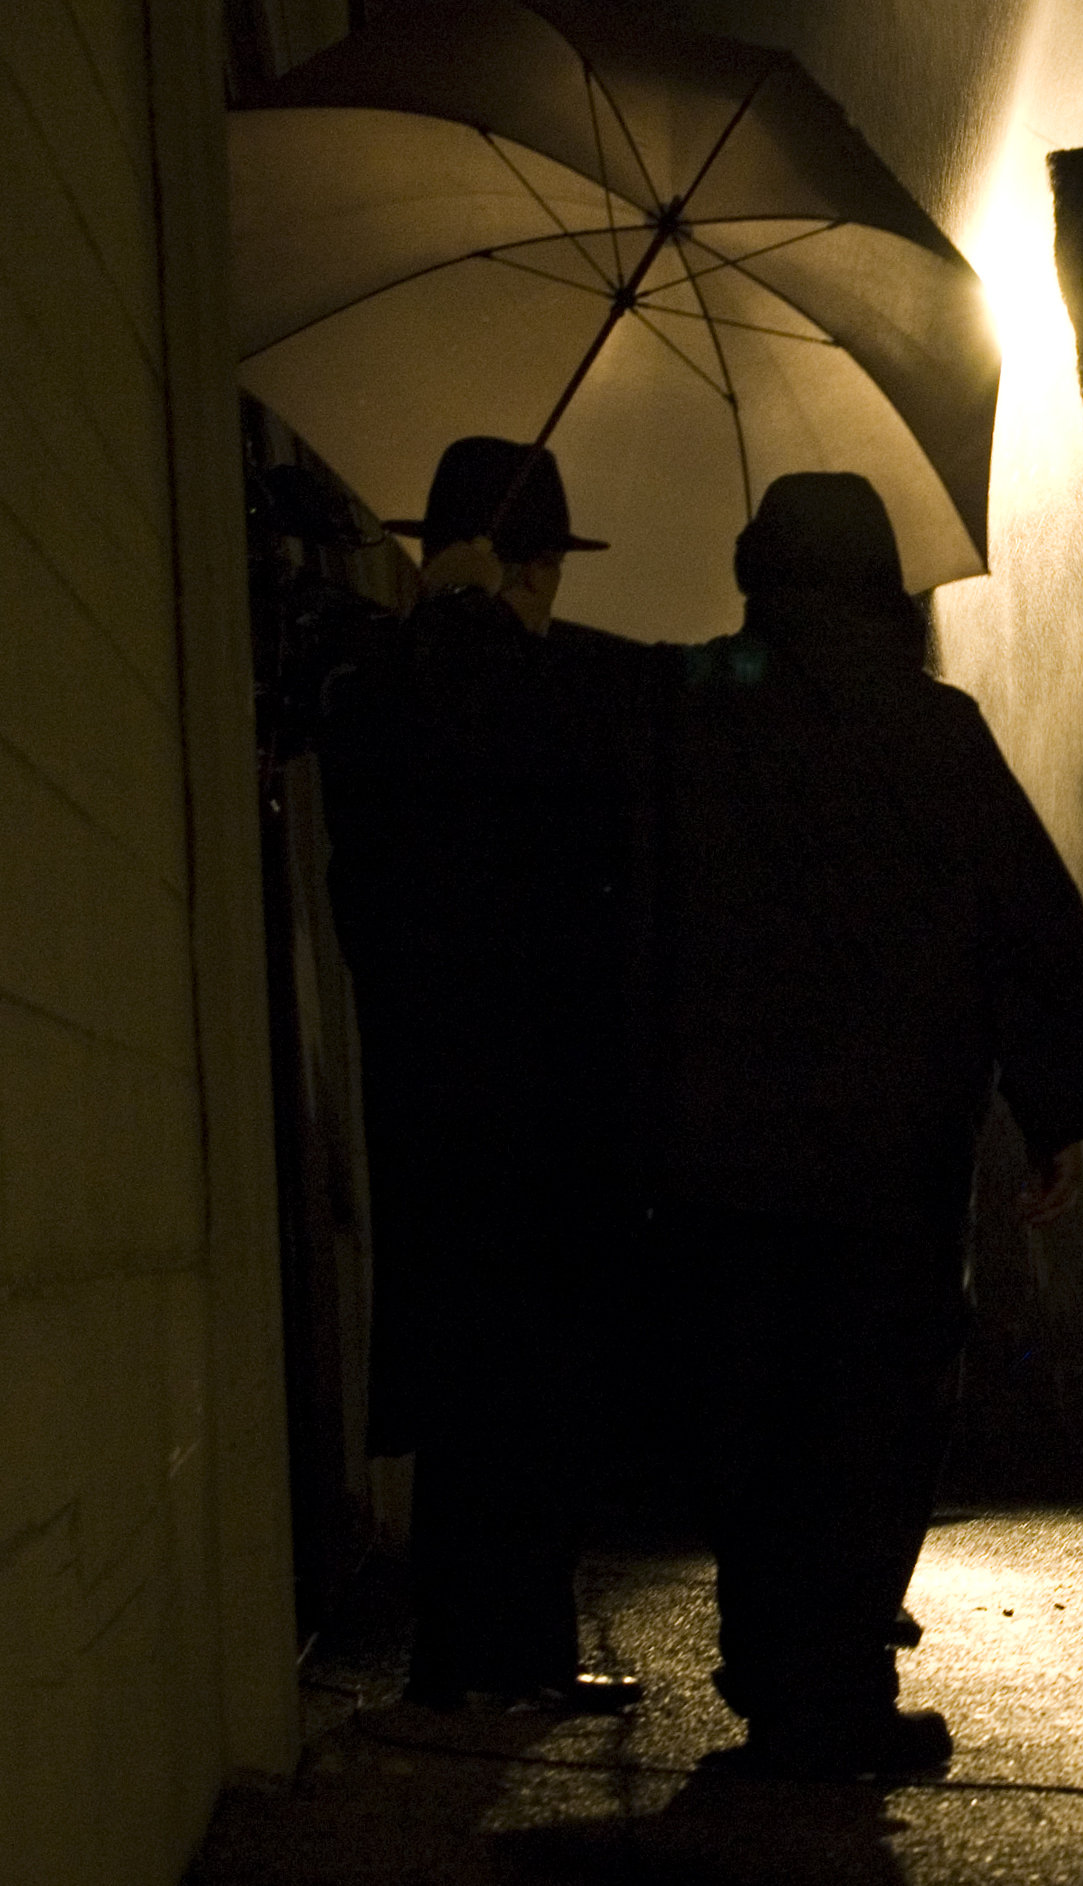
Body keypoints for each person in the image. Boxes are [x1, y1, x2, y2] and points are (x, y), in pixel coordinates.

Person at [660, 472, 1083, 1779]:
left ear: (755, 566)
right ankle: (845, 1689)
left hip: (727, 1156)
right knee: (875, 1415)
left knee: (754, 1417)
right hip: (890, 1163)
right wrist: (1055, 1102)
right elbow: (1033, 920)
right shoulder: (935, 731)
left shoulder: (691, 711)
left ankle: (771, 1690)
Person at [318, 436, 657, 1712]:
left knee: (487, 1389)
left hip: (443, 1094)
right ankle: (490, 1654)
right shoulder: (488, 680)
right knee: (524, 1387)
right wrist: (469, 621)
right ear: (527, 563)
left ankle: (483, 1651)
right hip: (529, 1099)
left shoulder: (400, 677)